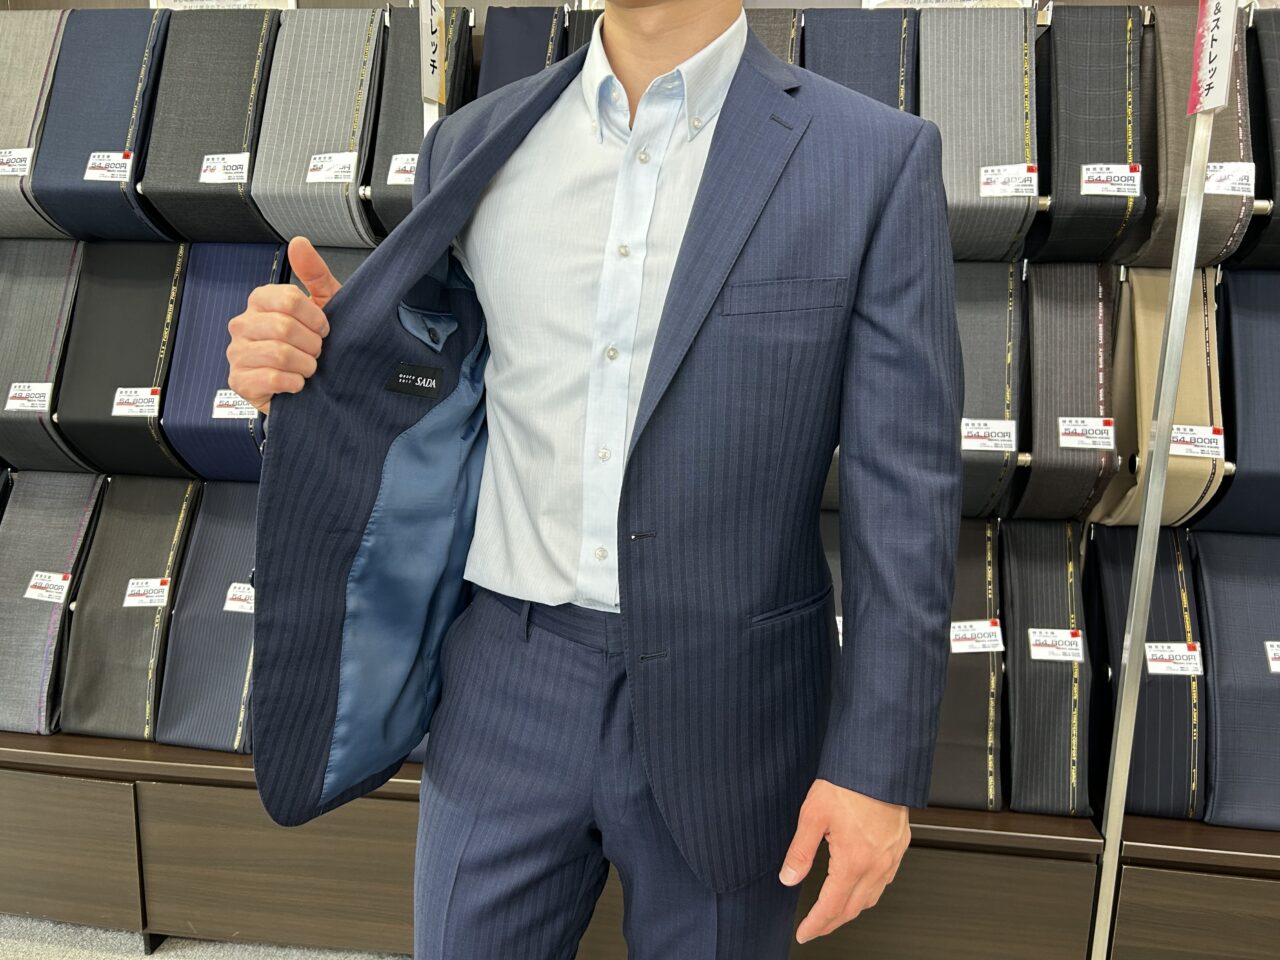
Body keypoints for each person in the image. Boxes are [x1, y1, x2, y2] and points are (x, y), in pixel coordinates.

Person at [228, 1, 962, 956]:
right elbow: (443, 386)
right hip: (504, 674)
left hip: (735, 700)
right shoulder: (473, 145)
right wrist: (318, 365)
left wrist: (877, 766)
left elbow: (905, 485)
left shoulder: (871, 158)